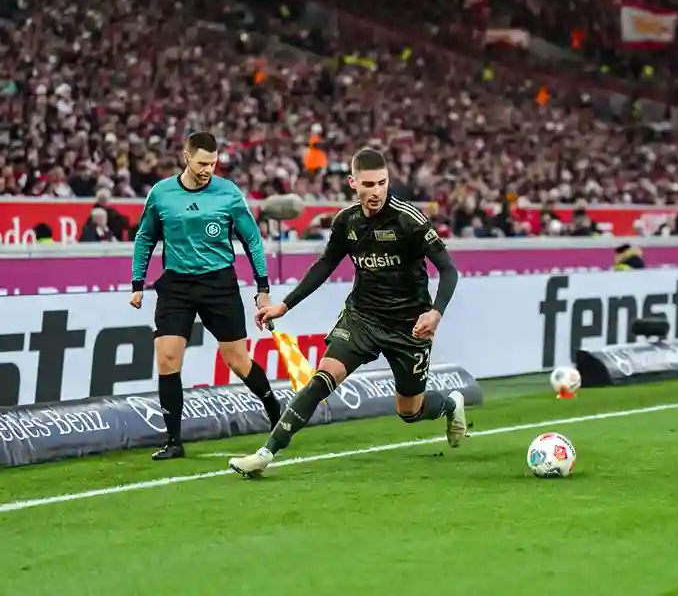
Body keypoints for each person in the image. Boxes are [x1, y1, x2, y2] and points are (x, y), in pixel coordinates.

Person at [229, 148, 465, 479]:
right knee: (321, 379)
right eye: (368, 184)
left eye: (382, 183)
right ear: (353, 183)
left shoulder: (408, 219)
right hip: (362, 317)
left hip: (409, 326)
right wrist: (284, 305)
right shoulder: (347, 221)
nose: (376, 191)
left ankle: (451, 404)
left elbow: (448, 269)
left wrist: (436, 312)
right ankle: (265, 454)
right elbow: (325, 264)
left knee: (409, 411)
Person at [130, 131, 282, 461]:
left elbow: (252, 240)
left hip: (219, 284)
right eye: (202, 163)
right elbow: (145, 238)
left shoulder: (228, 193)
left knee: (237, 361)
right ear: (186, 157)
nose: (207, 170)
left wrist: (263, 288)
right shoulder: (161, 193)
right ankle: (174, 441)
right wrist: (137, 283)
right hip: (177, 286)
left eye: (212, 163)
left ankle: (275, 409)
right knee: (167, 358)